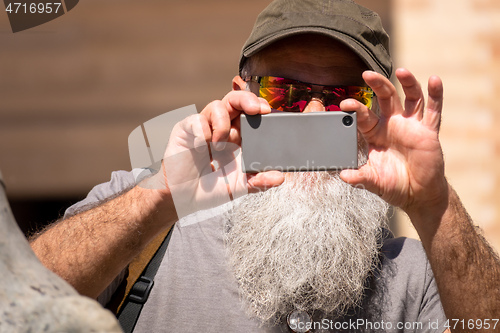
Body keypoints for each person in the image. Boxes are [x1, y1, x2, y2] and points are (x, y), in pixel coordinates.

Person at [30, 0, 500, 332]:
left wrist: (435, 203)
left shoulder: (416, 276)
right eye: (286, 94)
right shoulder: (151, 218)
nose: (315, 117)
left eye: (346, 100)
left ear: (375, 110)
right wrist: (161, 197)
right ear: (242, 93)